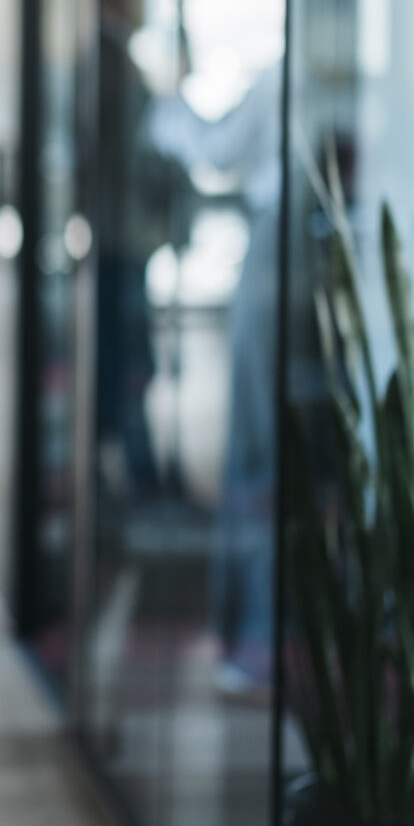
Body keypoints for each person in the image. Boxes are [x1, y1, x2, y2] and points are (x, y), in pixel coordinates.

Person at [147, 55, 284, 695]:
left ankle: (252, 639)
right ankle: (256, 634)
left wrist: (172, 106)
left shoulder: (281, 74)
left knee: (258, 453)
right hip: (320, 256)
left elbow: (216, 149)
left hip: (279, 255)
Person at [94, 0, 187, 501]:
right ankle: (138, 475)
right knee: (129, 363)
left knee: (127, 359)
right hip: (119, 236)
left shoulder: (117, 56)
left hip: (123, 235)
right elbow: (129, 153)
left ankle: (130, 472)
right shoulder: (108, 60)